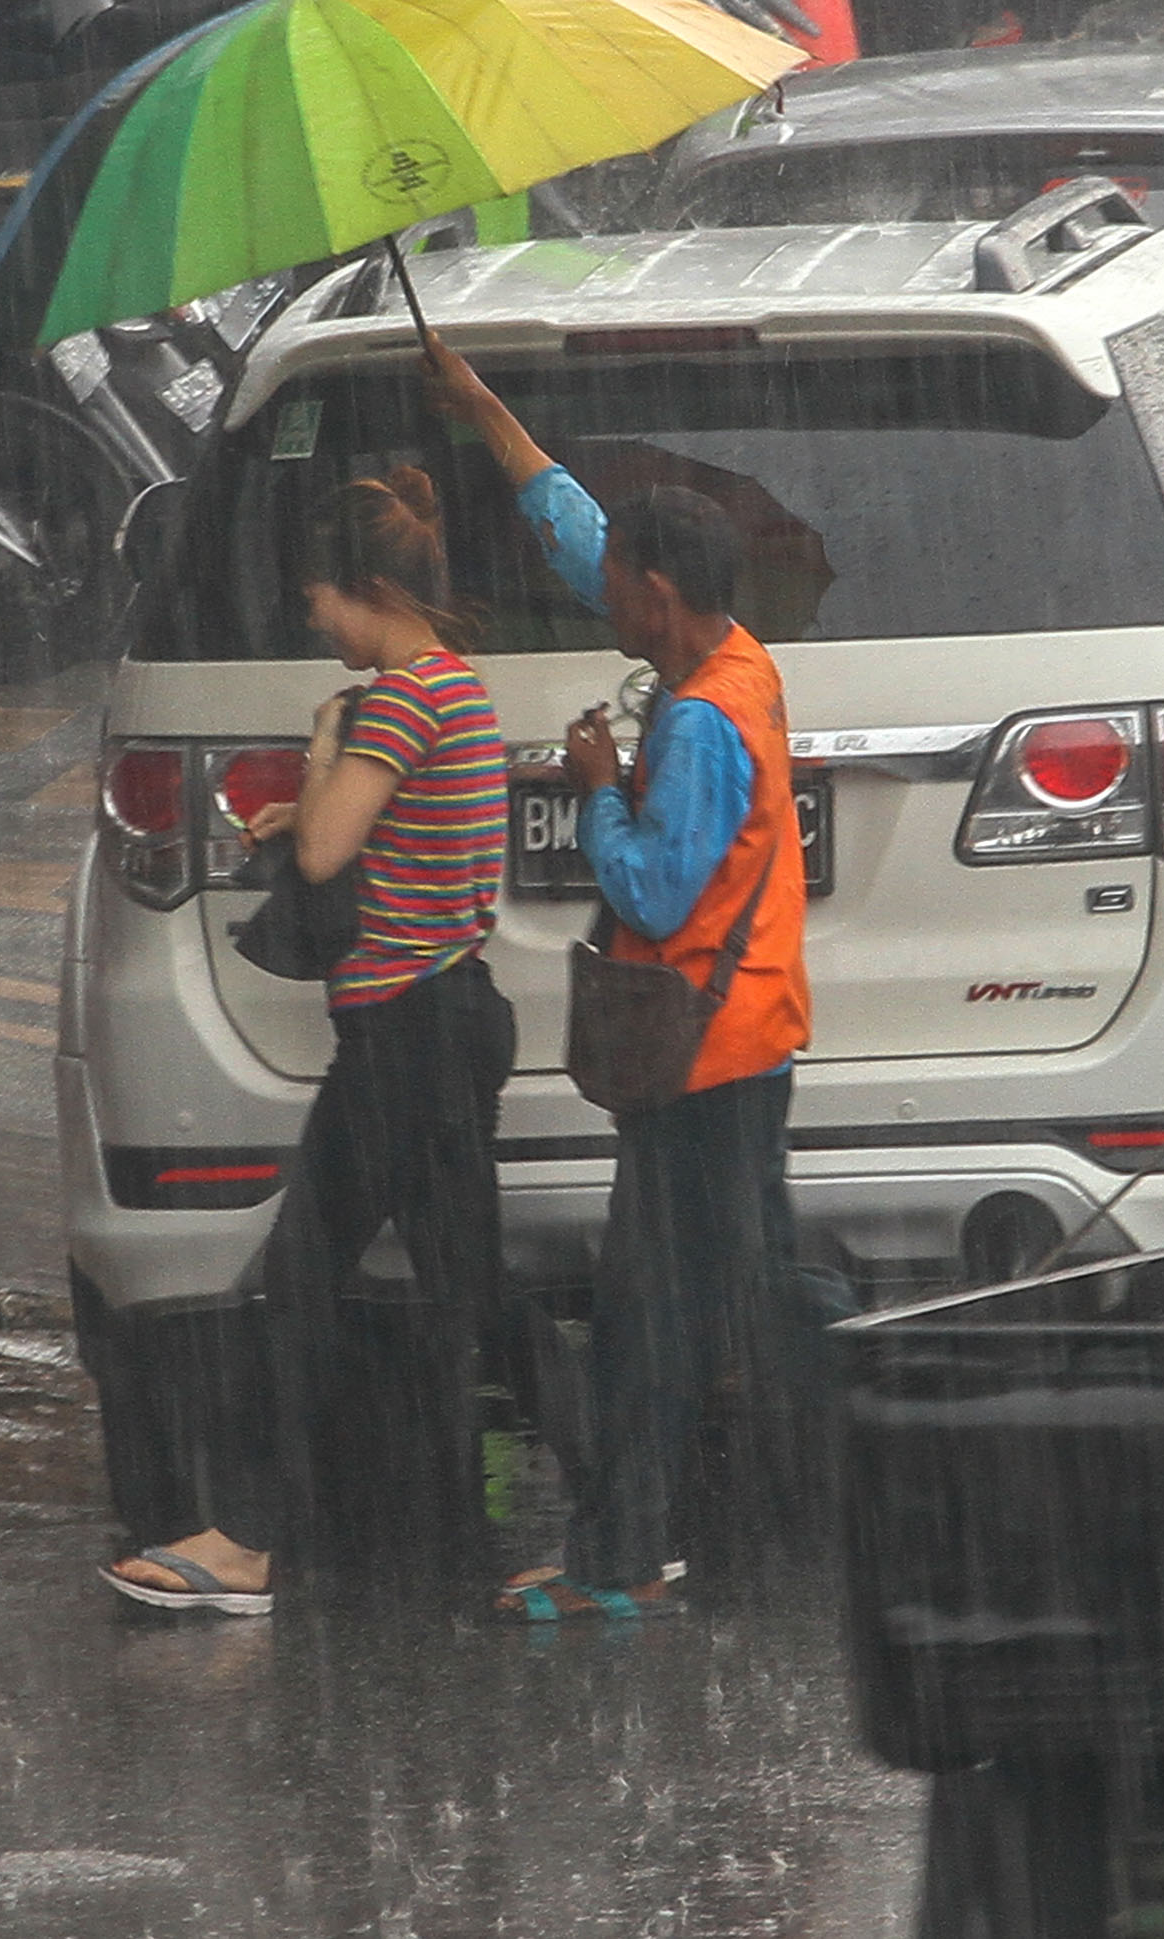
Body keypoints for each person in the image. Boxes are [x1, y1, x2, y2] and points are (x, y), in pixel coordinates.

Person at [421, 338, 811, 1623]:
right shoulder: (734, 658)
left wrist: (597, 796)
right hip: (744, 1038)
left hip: (697, 1050)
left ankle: (619, 1557)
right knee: (754, 1284)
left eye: (618, 591)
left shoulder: (698, 721)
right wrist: (487, 417)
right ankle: (870, 1477)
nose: (603, 600)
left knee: (652, 1311)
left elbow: (652, 892)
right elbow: (578, 532)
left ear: (658, 595)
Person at [100, 469, 514, 1615]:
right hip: (449, 1022)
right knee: (468, 1294)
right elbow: (394, 834)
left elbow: (329, 857)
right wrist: (320, 797)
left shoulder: (392, 701)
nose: (314, 621)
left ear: (371, 590)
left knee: (299, 1281)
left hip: (399, 1040)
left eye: (320, 601)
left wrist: (323, 742)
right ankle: (578, 1527)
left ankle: (251, 1542)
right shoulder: (457, 690)